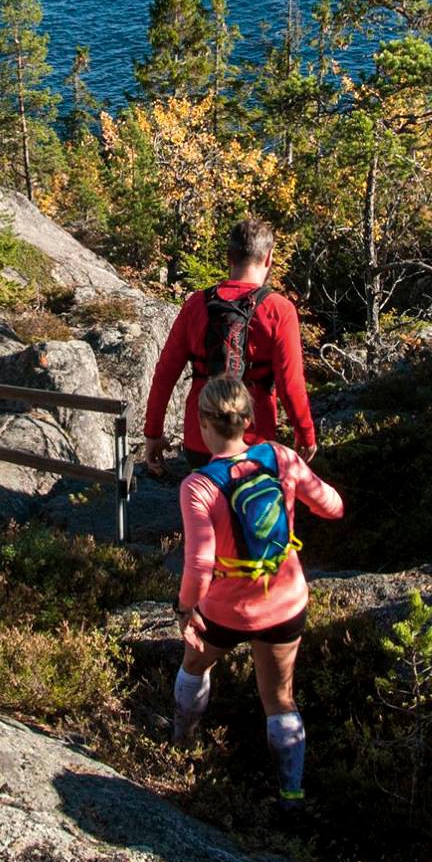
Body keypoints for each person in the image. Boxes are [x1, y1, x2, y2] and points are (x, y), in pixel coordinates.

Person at [171, 375, 344, 813]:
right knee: (280, 698)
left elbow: (199, 565)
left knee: (195, 665)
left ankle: (181, 744)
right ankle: (291, 794)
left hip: (225, 611)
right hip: (285, 602)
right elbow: (333, 506)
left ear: (203, 423)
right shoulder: (281, 457)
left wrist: (186, 610)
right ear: (248, 419)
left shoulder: (199, 486)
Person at [142, 218, 316, 479]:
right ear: (268, 258)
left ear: (229, 257)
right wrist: (305, 435)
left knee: (202, 502)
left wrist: (153, 433)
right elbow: (290, 385)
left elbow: (165, 373)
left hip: (201, 439)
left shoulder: (196, 304)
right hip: (254, 441)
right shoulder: (279, 310)